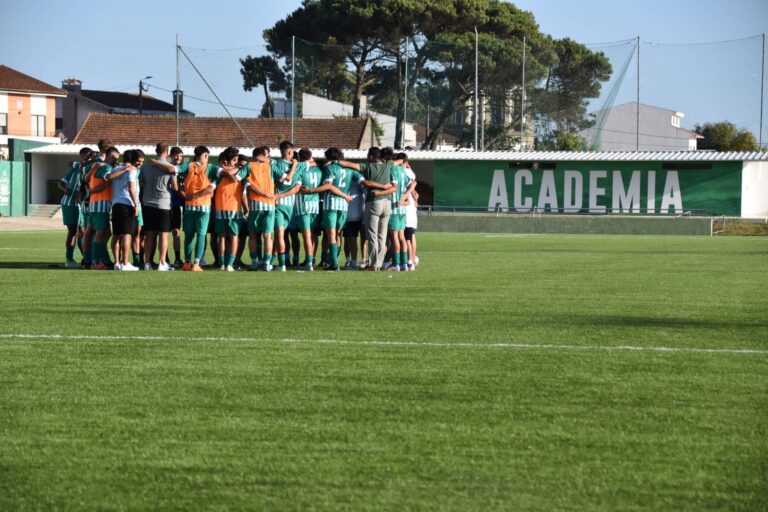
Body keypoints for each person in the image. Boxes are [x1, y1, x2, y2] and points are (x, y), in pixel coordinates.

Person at [339, 147, 395, 271]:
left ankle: (372, 264)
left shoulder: (367, 167)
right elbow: (400, 160)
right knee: (382, 235)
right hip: (387, 203)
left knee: (372, 235)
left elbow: (349, 164)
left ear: (371, 156)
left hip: (374, 202)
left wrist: (336, 161)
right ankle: (379, 263)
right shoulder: (389, 165)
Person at [177, 145, 217, 271]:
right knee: (201, 235)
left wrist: (181, 191)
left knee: (188, 235)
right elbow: (222, 174)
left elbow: (173, 170)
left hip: (189, 206)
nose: (208, 158)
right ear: (204, 155)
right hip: (204, 207)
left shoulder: (188, 166)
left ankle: (187, 263)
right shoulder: (210, 168)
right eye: (207, 156)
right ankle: (196, 263)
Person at [141, 143, 178, 271]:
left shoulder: (146, 166)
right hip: (163, 204)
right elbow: (175, 187)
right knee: (163, 235)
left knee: (149, 235)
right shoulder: (170, 167)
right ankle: (162, 263)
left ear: (156, 151)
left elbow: (141, 183)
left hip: (148, 203)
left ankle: (147, 263)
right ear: (167, 152)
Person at [213, 147, 248, 272]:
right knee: (234, 236)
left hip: (220, 207)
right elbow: (234, 179)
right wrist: (239, 168)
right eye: (236, 160)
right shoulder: (239, 171)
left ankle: (222, 264)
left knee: (222, 237)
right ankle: (230, 264)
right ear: (233, 159)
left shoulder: (218, 170)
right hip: (234, 208)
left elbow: (226, 173)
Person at [85, 146, 119, 269]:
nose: (116, 160)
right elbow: (108, 178)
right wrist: (123, 170)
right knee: (100, 233)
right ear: (109, 156)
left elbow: (86, 179)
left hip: (95, 203)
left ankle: (98, 259)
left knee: (101, 232)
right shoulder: (107, 168)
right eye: (115, 157)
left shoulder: (97, 167)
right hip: (102, 204)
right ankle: (95, 262)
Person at [80, 139, 112, 268]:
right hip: (95, 200)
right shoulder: (99, 163)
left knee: (93, 231)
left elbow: (84, 178)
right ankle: (95, 259)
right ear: (106, 148)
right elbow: (85, 178)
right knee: (97, 232)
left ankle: (91, 259)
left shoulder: (93, 163)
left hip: (91, 200)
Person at [244, 146, 276, 271]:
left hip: (256, 205)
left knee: (253, 235)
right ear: (262, 155)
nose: (268, 157)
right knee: (267, 236)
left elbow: (242, 180)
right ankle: (267, 263)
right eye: (267, 154)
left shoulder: (249, 166)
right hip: (270, 205)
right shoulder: (272, 165)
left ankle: (254, 262)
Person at [59, 147, 92, 268]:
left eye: (90, 157)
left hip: (80, 205)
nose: (89, 159)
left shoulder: (88, 169)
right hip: (69, 204)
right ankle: (69, 259)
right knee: (73, 232)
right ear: (81, 156)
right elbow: (60, 183)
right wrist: (65, 190)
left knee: (82, 232)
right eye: (86, 156)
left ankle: (85, 259)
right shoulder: (76, 169)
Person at [108, 150, 141, 271]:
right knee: (127, 235)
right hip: (127, 204)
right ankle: (125, 263)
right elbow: (131, 188)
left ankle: (117, 262)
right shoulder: (132, 169)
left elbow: (110, 178)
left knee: (116, 235)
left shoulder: (115, 169)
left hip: (115, 204)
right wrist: (136, 204)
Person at [272, 140, 301, 272]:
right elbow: (295, 188)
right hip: (292, 207)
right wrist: (295, 163)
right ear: (290, 152)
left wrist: (278, 195)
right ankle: (288, 260)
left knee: (279, 234)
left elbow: (278, 182)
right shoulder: (300, 166)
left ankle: (282, 263)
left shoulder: (275, 165)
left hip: (278, 204)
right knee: (290, 235)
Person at [293, 148, 321, 271]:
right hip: (315, 204)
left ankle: (309, 262)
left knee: (307, 236)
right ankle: (312, 258)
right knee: (313, 235)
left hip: (303, 205)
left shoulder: (301, 169)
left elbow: (295, 186)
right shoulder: (319, 170)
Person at [342, 171, 366, 270]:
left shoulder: (361, 183)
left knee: (361, 239)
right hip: (348, 215)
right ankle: (349, 261)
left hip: (360, 215)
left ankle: (360, 260)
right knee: (348, 239)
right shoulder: (344, 181)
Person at [168, 146, 185, 267]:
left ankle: (177, 258)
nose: (179, 158)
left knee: (176, 232)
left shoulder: (182, 171)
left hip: (176, 205)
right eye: (176, 155)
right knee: (162, 233)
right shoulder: (166, 169)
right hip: (164, 205)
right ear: (171, 156)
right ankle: (165, 258)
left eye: (181, 156)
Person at [403, 157, 419, 271]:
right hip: (412, 209)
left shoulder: (402, 173)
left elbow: (412, 185)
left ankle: (409, 262)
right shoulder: (410, 173)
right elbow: (414, 180)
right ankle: (412, 259)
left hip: (407, 210)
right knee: (412, 236)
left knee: (407, 238)